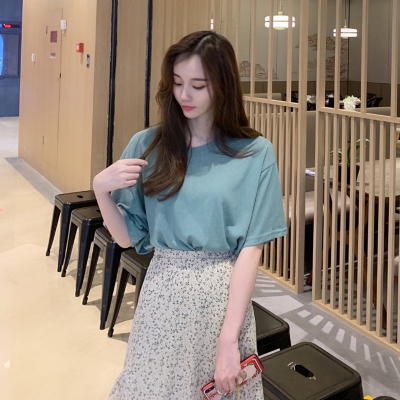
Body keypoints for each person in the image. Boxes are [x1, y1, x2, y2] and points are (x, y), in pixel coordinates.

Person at [93, 30, 287, 400]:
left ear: (223, 86)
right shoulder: (148, 144)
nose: (184, 95)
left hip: (222, 300)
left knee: (217, 388)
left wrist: (229, 339)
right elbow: (126, 238)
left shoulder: (255, 152)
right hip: (162, 294)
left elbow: (252, 249)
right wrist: (101, 189)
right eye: (178, 82)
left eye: (198, 85)